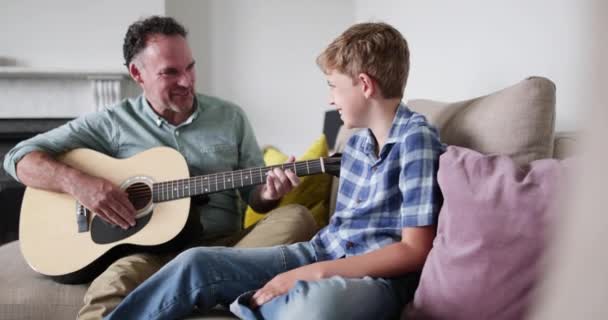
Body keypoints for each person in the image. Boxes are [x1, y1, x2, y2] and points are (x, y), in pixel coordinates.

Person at [104, 21, 446, 320]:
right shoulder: (356, 144)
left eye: (333, 86)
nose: (331, 99)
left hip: (374, 280)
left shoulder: (416, 140)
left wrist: (309, 275)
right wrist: (304, 269)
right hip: (319, 253)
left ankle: (246, 301)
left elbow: (414, 250)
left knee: (317, 308)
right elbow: (337, 234)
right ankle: (253, 298)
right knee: (196, 262)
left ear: (365, 85)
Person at [2, 16, 317, 319]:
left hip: (226, 246)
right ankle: (210, 288)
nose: (186, 81)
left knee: (297, 217)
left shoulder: (230, 117)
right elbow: (17, 157)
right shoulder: (112, 122)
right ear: (138, 75)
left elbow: (256, 198)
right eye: (170, 72)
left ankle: (196, 283)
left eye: (190, 67)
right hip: (151, 253)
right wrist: (79, 184)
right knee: (111, 286)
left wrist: (270, 192)